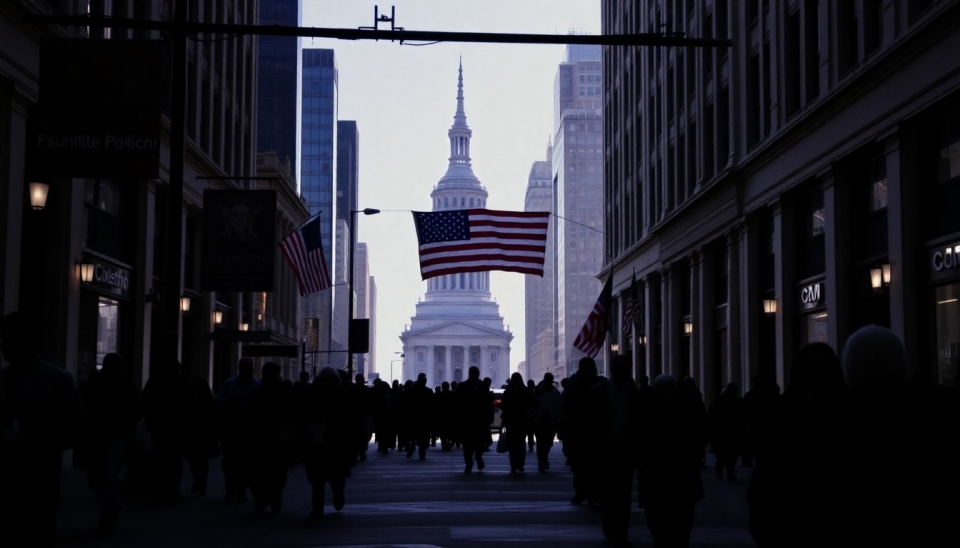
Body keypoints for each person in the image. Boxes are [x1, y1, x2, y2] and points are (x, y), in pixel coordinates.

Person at [747, 342, 850, 547]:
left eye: (824, 369)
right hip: (790, 525)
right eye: (812, 369)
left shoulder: (847, 413)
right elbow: (766, 477)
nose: (818, 376)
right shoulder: (781, 415)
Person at [0, 312, 85, 547]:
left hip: (38, 476)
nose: (4, 346)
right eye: (2, 340)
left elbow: (77, 428)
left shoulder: (57, 380)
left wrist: (38, 439)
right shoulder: (3, 380)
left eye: (9, 340)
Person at [640, 374, 707, 548]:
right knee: (673, 521)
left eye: (668, 391)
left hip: (671, 475)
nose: (666, 394)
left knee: (670, 521)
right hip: (672, 474)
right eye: (663, 391)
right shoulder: (683, 411)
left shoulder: (650, 411)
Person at [583, 355, 643, 545]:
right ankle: (610, 522)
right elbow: (587, 420)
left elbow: (639, 424)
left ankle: (622, 530)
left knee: (624, 493)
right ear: (612, 370)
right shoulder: (599, 392)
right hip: (605, 449)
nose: (623, 372)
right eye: (620, 368)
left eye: (626, 368)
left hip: (625, 450)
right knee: (607, 491)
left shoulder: (633, 394)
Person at [79, 352, 141, 536]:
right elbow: (138, 408)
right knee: (103, 476)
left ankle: (108, 511)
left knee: (103, 476)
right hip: (110, 434)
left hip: (109, 435)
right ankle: (110, 507)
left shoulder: (99, 385)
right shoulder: (124, 386)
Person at [303, 366, 354, 519]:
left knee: (328, 476)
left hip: (331, 441)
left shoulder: (316, 394)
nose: (326, 382)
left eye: (329, 380)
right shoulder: (316, 395)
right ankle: (321, 505)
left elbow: (350, 417)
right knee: (323, 477)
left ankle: (327, 501)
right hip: (328, 441)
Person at [243, 362, 294, 515]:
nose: (272, 376)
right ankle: (263, 500)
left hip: (274, 439)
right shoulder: (258, 392)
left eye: (274, 373)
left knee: (274, 473)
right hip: (262, 439)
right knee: (261, 473)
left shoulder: (281, 392)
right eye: (270, 373)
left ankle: (270, 497)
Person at [141, 359, 190, 504]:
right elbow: (186, 407)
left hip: (158, 426)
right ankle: (172, 487)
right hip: (174, 428)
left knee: (159, 457)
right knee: (174, 459)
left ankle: (158, 488)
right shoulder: (179, 384)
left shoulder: (154, 383)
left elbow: (144, 402)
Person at [216, 357, 260, 501]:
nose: (246, 370)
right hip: (231, 429)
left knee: (246, 463)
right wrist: (229, 400)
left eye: (248, 368)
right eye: (243, 368)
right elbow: (217, 401)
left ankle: (240, 488)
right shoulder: (230, 384)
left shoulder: (257, 386)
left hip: (248, 430)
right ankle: (232, 488)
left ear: (252, 369)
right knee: (229, 462)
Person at [561, 357, 602, 505]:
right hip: (577, 431)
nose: (590, 371)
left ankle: (592, 493)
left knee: (595, 466)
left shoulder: (601, 384)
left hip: (596, 432)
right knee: (578, 465)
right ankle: (581, 491)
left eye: (592, 368)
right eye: (587, 368)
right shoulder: (572, 386)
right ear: (581, 369)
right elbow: (565, 409)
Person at [184, 377, 219, 497]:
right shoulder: (188, 399)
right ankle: (198, 481)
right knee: (193, 460)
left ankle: (201, 482)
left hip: (204, 433)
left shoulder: (208, 400)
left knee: (201, 460)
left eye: (199, 385)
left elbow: (213, 417)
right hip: (192, 433)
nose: (197, 387)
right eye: (195, 385)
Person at [454, 366, 493, 473]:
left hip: (480, 420)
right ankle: (469, 464)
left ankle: (478, 457)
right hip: (467, 420)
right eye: (472, 374)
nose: (474, 376)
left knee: (480, 443)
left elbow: (488, 403)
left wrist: (490, 417)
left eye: (476, 374)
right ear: (469, 374)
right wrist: (458, 416)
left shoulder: (483, 386)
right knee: (467, 444)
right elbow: (456, 403)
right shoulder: (462, 386)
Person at [708, 382, 746, 481]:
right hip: (730, 432)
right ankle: (728, 470)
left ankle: (723, 467)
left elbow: (711, 416)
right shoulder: (736, 402)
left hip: (722, 433)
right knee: (731, 453)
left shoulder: (719, 401)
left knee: (724, 453)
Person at [499, 372, 534, 474]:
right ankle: (514, 464)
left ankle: (520, 463)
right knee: (513, 444)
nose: (515, 382)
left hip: (520, 420)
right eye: (514, 380)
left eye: (516, 379)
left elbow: (531, 404)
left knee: (520, 443)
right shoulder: (514, 392)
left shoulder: (515, 392)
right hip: (512, 420)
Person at [532, 372, 562, 472]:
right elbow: (533, 405)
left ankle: (544, 457)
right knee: (540, 442)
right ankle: (542, 461)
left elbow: (559, 406)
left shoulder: (555, 392)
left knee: (549, 441)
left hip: (551, 419)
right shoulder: (537, 391)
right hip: (540, 419)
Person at [402, 373, 435, 460]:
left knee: (416, 436)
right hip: (419, 417)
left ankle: (416, 449)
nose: (424, 382)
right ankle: (418, 449)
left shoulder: (412, 391)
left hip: (418, 417)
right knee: (419, 436)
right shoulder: (427, 391)